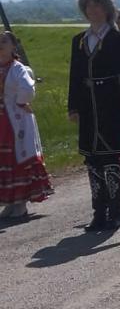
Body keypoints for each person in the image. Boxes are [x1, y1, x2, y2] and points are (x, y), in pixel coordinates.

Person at [68, 0, 120, 231]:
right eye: (88, 5)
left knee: (110, 158)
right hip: (87, 106)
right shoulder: (79, 41)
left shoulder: (116, 39)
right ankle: (98, 212)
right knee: (92, 160)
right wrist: (73, 106)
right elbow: (74, 76)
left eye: (97, 5)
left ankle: (115, 211)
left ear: (106, 8)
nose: (93, 10)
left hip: (110, 102)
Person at [0, 31, 52, 220]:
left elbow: (28, 88)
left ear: (13, 46)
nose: (0, 44)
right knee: (4, 160)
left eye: (4, 41)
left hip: (15, 120)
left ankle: (20, 203)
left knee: (18, 158)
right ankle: (10, 201)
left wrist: (20, 102)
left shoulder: (18, 68)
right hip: (2, 120)